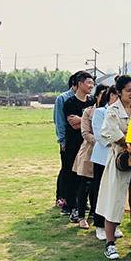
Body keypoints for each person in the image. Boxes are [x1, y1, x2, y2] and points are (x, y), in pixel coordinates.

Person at [96, 75, 131, 260]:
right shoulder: (112, 110)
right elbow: (110, 131)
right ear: (119, 92)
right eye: (128, 90)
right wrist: (128, 140)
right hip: (120, 160)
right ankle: (110, 243)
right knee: (114, 201)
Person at [72, 84, 109, 230]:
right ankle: (81, 216)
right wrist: (101, 141)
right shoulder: (88, 111)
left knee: (98, 186)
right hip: (89, 152)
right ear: (97, 95)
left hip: (107, 153)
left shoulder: (112, 111)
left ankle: (95, 213)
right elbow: (85, 133)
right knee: (85, 185)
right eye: (103, 94)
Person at [62, 71, 96, 223]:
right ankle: (72, 208)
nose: (91, 85)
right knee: (72, 176)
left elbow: (91, 122)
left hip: (88, 145)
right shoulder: (70, 102)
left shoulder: (92, 101)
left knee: (87, 178)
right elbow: (73, 124)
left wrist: (82, 120)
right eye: (88, 82)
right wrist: (87, 120)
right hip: (73, 144)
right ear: (80, 83)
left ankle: (86, 208)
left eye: (92, 83)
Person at [90, 85, 119, 241]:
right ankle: (100, 225)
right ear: (112, 95)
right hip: (103, 158)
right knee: (100, 191)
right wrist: (118, 141)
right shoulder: (101, 112)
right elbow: (100, 135)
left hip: (118, 158)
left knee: (116, 192)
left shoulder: (124, 112)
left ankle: (114, 224)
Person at [53, 73, 77, 213]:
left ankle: (75, 200)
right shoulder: (63, 98)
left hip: (79, 141)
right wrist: (62, 140)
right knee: (66, 169)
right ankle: (62, 198)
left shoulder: (87, 99)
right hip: (67, 140)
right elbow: (59, 121)